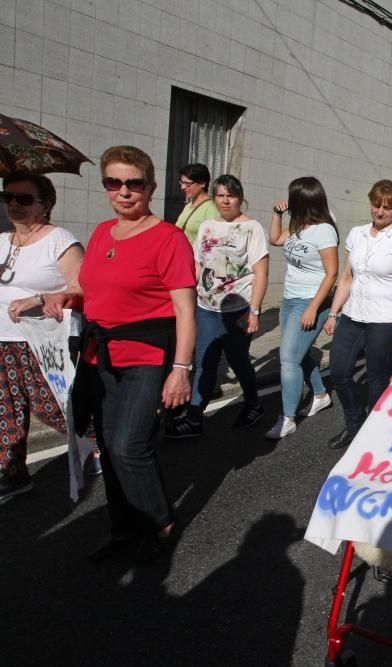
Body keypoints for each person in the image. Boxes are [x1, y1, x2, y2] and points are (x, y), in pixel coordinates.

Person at [71, 145, 196, 563]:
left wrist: (180, 369)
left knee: (128, 446)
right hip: (98, 356)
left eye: (133, 183)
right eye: (114, 182)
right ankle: (123, 530)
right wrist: (59, 298)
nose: (124, 191)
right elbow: (93, 291)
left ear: (150, 186)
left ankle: (159, 521)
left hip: (144, 356)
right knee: (108, 448)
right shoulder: (102, 232)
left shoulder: (169, 239)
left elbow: (184, 309)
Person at [0, 173, 83, 502]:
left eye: (23, 199)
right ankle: (13, 474)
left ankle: (98, 442)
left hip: (43, 340)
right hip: (3, 338)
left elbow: (82, 289)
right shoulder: (3, 240)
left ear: (45, 205)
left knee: (52, 407)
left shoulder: (59, 240)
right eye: (8, 197)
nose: (14, 204)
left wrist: (37, 299)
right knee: (6, 409)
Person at [165, 175, 269, 438]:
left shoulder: (252, 228)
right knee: (205, 363)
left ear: (240, 198)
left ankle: (254, 404)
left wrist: (254, 310)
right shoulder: (207, 226)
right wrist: (188, 294)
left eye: (230, 195)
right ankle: (194, 417)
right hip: (206, 307)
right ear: (214, 197)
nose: (225, 200)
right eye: (220, 195)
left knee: (239, 361)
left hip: (237, 311)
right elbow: (199, 264)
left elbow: (261, 272)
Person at [324, 180, 392, 450]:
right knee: (339, 371)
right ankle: (354, 422)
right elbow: (346, 278)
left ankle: (374, 433)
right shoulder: (356, 234)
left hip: (385, 320)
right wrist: (333, 313)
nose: (380, 212)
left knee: (377, 380)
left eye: (387, 208)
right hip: (353, 315)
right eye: (376, 205)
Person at [267, 177, 340, 440]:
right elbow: (275, 239)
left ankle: (287, 418)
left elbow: (332, 274)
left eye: (292, 196)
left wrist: (313, 308)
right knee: (299, 354)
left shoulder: (324, 231)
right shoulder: (298, 226)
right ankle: (320, 395)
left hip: (310, 302)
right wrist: (277, 214)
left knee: (288, 360)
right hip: (289, 300)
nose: (289, 201)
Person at [175, 163, 219, 246]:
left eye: (188, 183)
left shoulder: (211, 208)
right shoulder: (188, 206)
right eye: (181, 183)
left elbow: (213, 242)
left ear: (202, 183)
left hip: (195, 258)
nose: (183, 187)